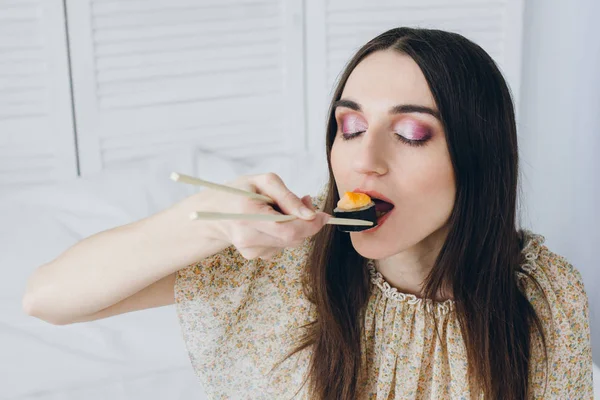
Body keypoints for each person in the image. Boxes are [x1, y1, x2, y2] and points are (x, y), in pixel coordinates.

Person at [22, 27, 592, 399]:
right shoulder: (277, 258)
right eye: (350, 127)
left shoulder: (545, 294)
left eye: (410, 133)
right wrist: (209, 219)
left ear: (478, 158)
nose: (364, 160)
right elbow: (46, 299)